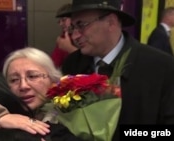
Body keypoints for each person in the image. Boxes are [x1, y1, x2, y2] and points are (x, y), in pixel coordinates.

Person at [61, 0, 174, 140]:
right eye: (72, 28)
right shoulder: (72, 64)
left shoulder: (161, 66)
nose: (75, 36)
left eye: (81, 25)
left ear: (111, 22)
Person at [51, 3, 77, 68]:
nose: (61, 24)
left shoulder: (87, 35)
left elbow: (91, 63)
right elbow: (54, 63)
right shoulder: (64, 38)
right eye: (59, 21)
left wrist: (70, 48)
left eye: (63, 20)